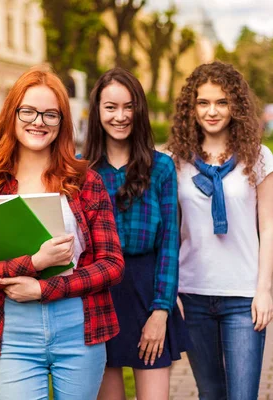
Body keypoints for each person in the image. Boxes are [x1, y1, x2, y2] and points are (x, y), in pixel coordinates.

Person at [0, 66, 124, 400]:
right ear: (12, 114)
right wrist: (33, 262)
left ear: (62, 122)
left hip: (78, 331)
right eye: (29, 111)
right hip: (15, 336)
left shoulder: (85, 181)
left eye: (51, 114)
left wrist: (43, 289)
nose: (39, 121)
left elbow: (111, 265)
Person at [167, 61, 273, 399]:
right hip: (193, 293)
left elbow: (269, 225)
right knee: (210, 393)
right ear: (192, 107)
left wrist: (264, 289)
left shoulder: (259, 158)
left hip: (243, 296)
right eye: (203, 102)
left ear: (236, 106)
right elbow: (170, 231)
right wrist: (171, 290)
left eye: (221, 102)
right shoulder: (174, 160)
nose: (212, 111)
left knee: (242, 394)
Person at [81, 67, 187, 400]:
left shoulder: (162, 167)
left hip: (148, 290)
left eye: (128, 107)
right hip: (98, 294)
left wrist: (161, 311)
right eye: (111, 107)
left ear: (138, 110)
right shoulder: (81, 171)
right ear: (97, 111)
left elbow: (170, 245)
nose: (120, 116)